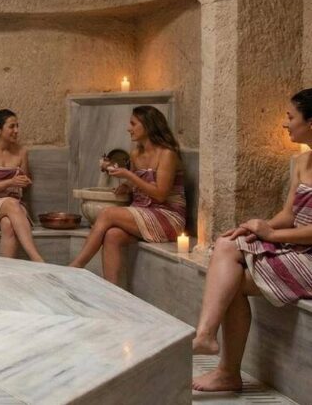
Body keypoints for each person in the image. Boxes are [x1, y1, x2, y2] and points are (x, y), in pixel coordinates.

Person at [191, 89, 312, 392]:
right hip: (295, 247)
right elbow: (288, 214)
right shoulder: (301, 162)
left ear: (311, 122)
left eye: (291, 117)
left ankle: (226, 371)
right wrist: (255, 227)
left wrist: (270, 235)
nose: (285, 124)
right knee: (227, 243)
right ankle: (206, 336)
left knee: (230, 282)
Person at [69, 105, 186, 284]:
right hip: (144, 212)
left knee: (108, 214)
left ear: (148, 125)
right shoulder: (136, 154)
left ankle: (76, 267)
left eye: (133, 123)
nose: (128, 128)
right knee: (112, 235)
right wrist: (127, 186)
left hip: (167, 216)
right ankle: (113, 294)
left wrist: (129, 175)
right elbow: (139, 184)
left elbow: (161, 194)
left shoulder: (167, 154)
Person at [0, 108, 43, 262]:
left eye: (17, 126)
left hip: (14, 206)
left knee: (8, 224)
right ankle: (37, 259)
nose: (16, 130)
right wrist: (10, 182)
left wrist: (24, 181)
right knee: (11, 203)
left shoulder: (22, 152)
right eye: (11, 126)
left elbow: (24, 183)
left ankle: (7, 273)